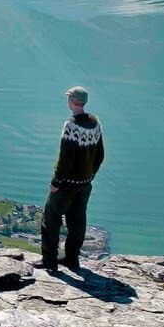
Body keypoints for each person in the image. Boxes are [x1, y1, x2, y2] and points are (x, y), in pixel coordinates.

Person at [40, 85, 103, 271]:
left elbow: (65, 158)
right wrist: (90, 174)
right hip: (85, 184)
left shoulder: (71, 126)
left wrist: (56, 181)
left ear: (72, 102)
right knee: (77, 220)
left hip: (66, 185)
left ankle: (49, 261)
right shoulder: (95, 124)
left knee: (51, 218)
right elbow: (100, 155)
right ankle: (71, 258)